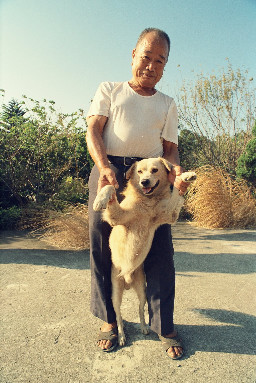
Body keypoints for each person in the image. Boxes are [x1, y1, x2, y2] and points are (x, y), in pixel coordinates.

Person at [86, 28, 189, 360]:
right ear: (133, 55)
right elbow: (93, 129)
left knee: (160, 248)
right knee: (102, 245)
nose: (152, 65)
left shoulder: (167, 103)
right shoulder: (110, 89)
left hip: (153, 176)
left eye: (160, 60)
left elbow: (170, 149)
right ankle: (109, 320)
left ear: (165, 66)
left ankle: (164, 324)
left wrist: (172, 178)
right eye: (146, 56)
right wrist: (104, 166)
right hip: (110, 169)